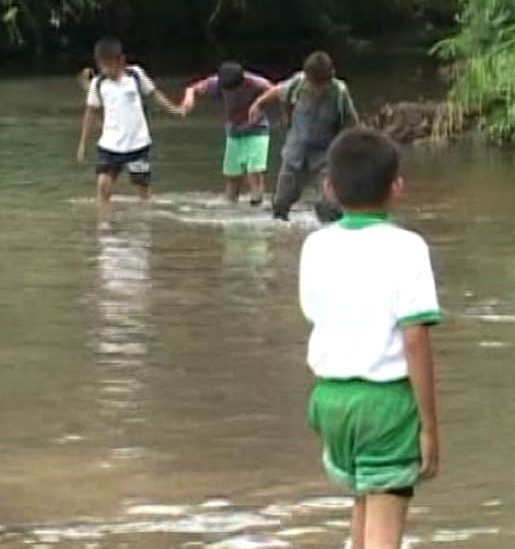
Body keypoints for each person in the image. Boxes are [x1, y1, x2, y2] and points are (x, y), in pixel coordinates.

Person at [299, 128, 441, 548]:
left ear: (329, 188)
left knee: (363, 507)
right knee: (385, 529)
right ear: (396, 187)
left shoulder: (315, 246)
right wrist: (429, 425)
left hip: (331, 402)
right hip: (385, 406)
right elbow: (414, 339)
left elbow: (314, 314)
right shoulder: (408, 248)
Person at [77, 37, 182, 225]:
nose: (107, 70)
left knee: (142, 189)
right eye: (102, 66)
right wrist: (83, 144)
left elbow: (154, 93)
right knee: (103, 185)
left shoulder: (135, 75)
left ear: (121, 60)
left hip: (137, 143)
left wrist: (174, 109)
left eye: (110, 65)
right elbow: (90, 113)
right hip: (110, 144)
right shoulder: (99, 84)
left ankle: (146, 225)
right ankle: (104, 225)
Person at [248, 51, 359, 222]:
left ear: (331, 77)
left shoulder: (340, 93)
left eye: (322, 84)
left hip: (325, 156)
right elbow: (277, 91)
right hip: (295, 153)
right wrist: (258, 104)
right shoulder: (298, 84)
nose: (318, 89)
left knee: (329, 205)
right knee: (280, 204)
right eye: (314, 84)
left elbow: (352, 124)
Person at [181, 61, 273, 206]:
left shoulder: (256, 82)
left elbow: (276, 91)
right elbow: (192, 88)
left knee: (254, 172)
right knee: (233, 177)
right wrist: (189, 98)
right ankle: (230, 207)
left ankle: (257, 206)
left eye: (235, 89)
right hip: (234, 131)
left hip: (257, 130)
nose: (232, 92)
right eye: (228, 90)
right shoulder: (216, 82)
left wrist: (259, 103)